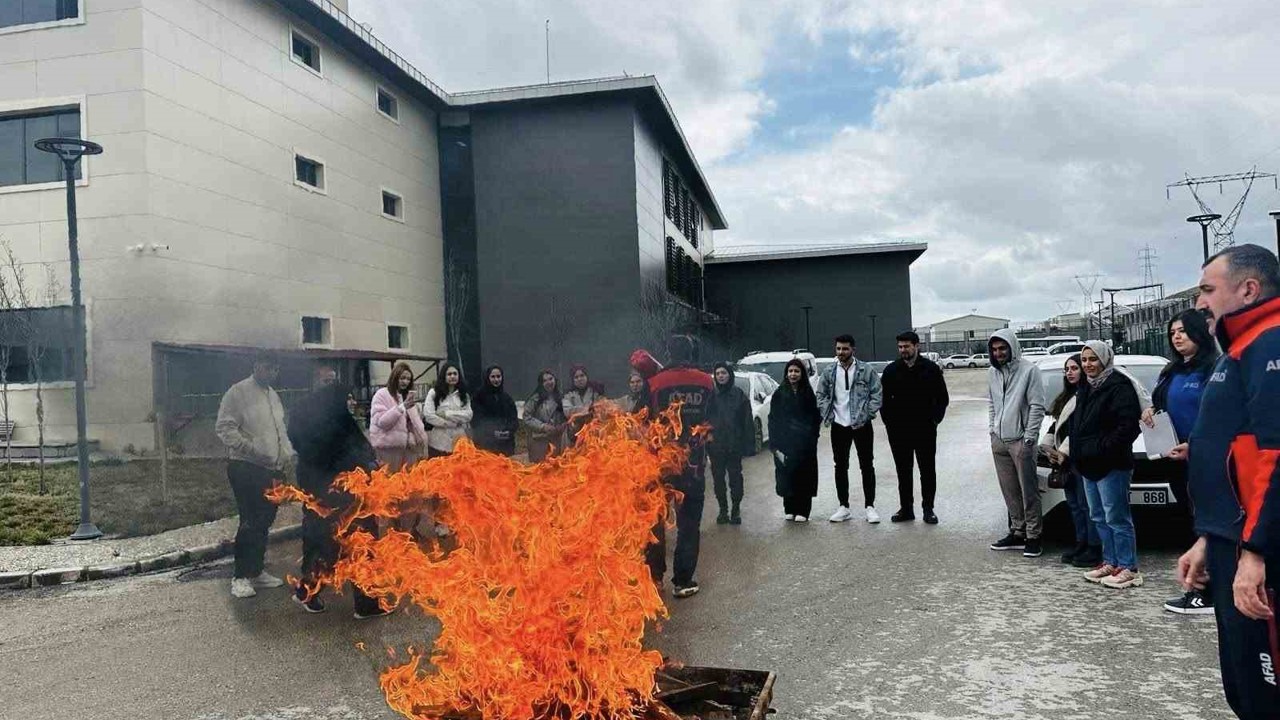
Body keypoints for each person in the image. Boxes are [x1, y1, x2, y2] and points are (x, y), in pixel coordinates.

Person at [1178, 244, 1280, 719]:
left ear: (1249, 289)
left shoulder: (1270, 343)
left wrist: (1257, 552)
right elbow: (1230, 457)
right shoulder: (1238, 348)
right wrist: (1208, 537)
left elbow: (1273, 457)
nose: (1201, 302)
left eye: (1207, 290)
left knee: (1266, 689)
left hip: (1256, 550)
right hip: (1229, 539)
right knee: (1241, 682)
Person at [285, 365, 389, 619]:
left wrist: (370, 463)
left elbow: (357, 444)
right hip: (323, 489)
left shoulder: (339, 410)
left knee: (360, 541)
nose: (330, 385)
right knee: (323, 542)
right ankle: (310, 593)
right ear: (314, 383)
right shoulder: (302, 411)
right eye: (325, 381)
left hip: (352, 489)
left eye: (333, 380)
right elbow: (308, 447)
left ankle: (366, 602)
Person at [1144, 310, 1219, 614]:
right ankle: (1197, 587)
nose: (1176, 336)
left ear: (1200, 333)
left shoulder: (1214, 368)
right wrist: (1150, 412)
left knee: (1209, 526)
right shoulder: (1172, 371)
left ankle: (1208, 593)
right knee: (1193, 524)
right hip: (1176, 459)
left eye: (1183, 331)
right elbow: (1160, 404)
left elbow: (1218, 418)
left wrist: (1197, 445)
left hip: (1207, 460)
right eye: (1173, 332)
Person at [214, 351, 295, 599]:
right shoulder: (237, 392)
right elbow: (224, 428)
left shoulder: (273, 395)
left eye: (275, 369)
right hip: (245, 467)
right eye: (267, 367)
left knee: (264, 520)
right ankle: (240, 577)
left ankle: (257, 571)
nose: (271, 372)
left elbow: (279, 430)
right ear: (256, 366)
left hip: (272, 469)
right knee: (249, 521)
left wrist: (286, 455)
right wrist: (252, 449)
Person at [644, 335, 714, 598]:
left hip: (658, 465)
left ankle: (654, 578)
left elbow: (640, 422)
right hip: (693, 466)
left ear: (667, 352)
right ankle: (683, 581)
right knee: (688, 524)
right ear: (691, 352)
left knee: (655, 522)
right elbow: (714, 422)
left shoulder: (653, 383)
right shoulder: (706, 381)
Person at [1073, 341, 1144, 589]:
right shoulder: (1086, 387)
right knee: (1099, 516)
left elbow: (1128, 427)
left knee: (1117, 517)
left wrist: (1102, 448)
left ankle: (1129, 567)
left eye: (1093, 359)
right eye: (1084, 360)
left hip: (1112, 464)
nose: (1088, 365)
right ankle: (1111, 561)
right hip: (1088, 464)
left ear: (1104, 359)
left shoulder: (1119, 386)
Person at [986, 329, 1047, 558]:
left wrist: (1029, 438)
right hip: (1000, 441)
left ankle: (1034, 536)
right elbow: (991, 403)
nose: (998, 353)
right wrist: (992, 430)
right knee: (1010, 490)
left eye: (1003, 348)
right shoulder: (992, 372)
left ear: (1012, 347)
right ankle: (1018, 532)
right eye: (994, 349)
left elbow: (1037, 406)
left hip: (1021, 441)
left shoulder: (1029, 371)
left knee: (1028, 491)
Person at [880, 331, 949, 524]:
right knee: (903, 471)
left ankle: (928, 509)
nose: (903, 350)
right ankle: (906, 509)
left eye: (906, 346)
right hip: (899, 432)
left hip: (925, 430)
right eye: (900, 347)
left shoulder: (931, 369)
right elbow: (883, 401)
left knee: (927, 470)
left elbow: (942, 399)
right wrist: (890, 424)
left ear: (916, 346)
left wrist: (934, 420)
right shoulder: (891, 371)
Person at [815, 334, 884, 524]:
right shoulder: (829, 372)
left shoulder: (865, 370)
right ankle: (843, 507)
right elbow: (820, 394)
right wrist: (828, 414)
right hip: (839, 425)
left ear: (853, 349)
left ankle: (870, 507)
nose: (841, 352)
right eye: (838, 348)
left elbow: (877, 393)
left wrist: (868, 414)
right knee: (840, 466)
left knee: (867, 465)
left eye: (845, 349)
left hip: (861, 425)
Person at [1043, 355, 1102, 568]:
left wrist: (1064, 451)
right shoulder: (1066, 396)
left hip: (1081, 456)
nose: (1070, 372)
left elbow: (1082, 429)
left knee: (1088, 506)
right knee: (1075, 505)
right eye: (1067, 369)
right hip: (1064, 459)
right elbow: (1056, 426)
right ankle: (1081, 542)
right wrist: (1048, 446)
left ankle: (1094, 547)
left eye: (1074, 368)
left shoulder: (1089, 395)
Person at [769, 358, 822, 523]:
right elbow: (773, 419)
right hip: (785, 443)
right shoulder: (779, 393)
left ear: (802, 374)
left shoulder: (808, 393)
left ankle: (803, 510)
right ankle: (789, 508)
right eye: (790, 371)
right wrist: (775, 444)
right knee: (787, 475)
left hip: (804, 444)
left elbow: (815, 418)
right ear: (786, 373)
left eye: (796, 371)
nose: (793, 374)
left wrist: (812, 437)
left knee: (804, 476)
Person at [706, 362, 754, 525]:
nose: (721, 376)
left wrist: (748, 444)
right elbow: (704, 420)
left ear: (730, 375)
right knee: (718, 479)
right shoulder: (711, 396)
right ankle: (723, 510)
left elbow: (747, 421)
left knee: (735, 478)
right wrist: (708, 435)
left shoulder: (739, 395)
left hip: (734, 445)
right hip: (716, 446)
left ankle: (735, 509)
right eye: (718, 373)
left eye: (724, 373)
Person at [368, 362, 427, 471]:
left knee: (408, 484)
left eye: (408, 379)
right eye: (402, 378)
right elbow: (383, 423)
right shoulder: (382, 394)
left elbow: (415, 426)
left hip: (410, 450)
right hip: (388, 449)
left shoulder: (408, 398)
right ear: (395, 377)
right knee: (390, 483)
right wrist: (401, 407)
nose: (405, 381)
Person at [421, 364, 473, 458]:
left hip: (459, 443)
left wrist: (446, 414)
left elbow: (468, 415)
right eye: (449, 374)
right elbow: (429, 416)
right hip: (438, 444)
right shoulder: (434, 393)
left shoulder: (464, 395)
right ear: (443, 376)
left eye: (455, 374)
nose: (452, 376)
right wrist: (451, 423)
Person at [472, 365, 519, 456]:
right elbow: (477, 419)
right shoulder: (479, 396)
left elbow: (513, 419)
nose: (496, 380)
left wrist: (508, 431)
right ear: (487, 378)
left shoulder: (507, 398)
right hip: (485, 445)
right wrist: (493, 432)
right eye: (493, 377)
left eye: (498, 376)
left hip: (505, 445)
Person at [524, 370, 567, 463]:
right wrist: (543, 426)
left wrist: (562, 426)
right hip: (539, 441)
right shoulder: (535, 399)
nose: (549, 382)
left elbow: (567, 416)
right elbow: (527, 417)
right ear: (541, 383)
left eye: (551, 379)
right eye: (545, 380)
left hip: (556, 440)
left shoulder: (562, 397)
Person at [562, 364, 604, 440]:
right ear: (573, 380)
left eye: (582, 375)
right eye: (576, 377)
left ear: (586, 376)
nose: (580, 379)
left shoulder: (595, 391)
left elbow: (601, 407)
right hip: (574, 434)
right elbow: (567, 411)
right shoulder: (568, 394)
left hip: (594, 433)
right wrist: (587, 409)